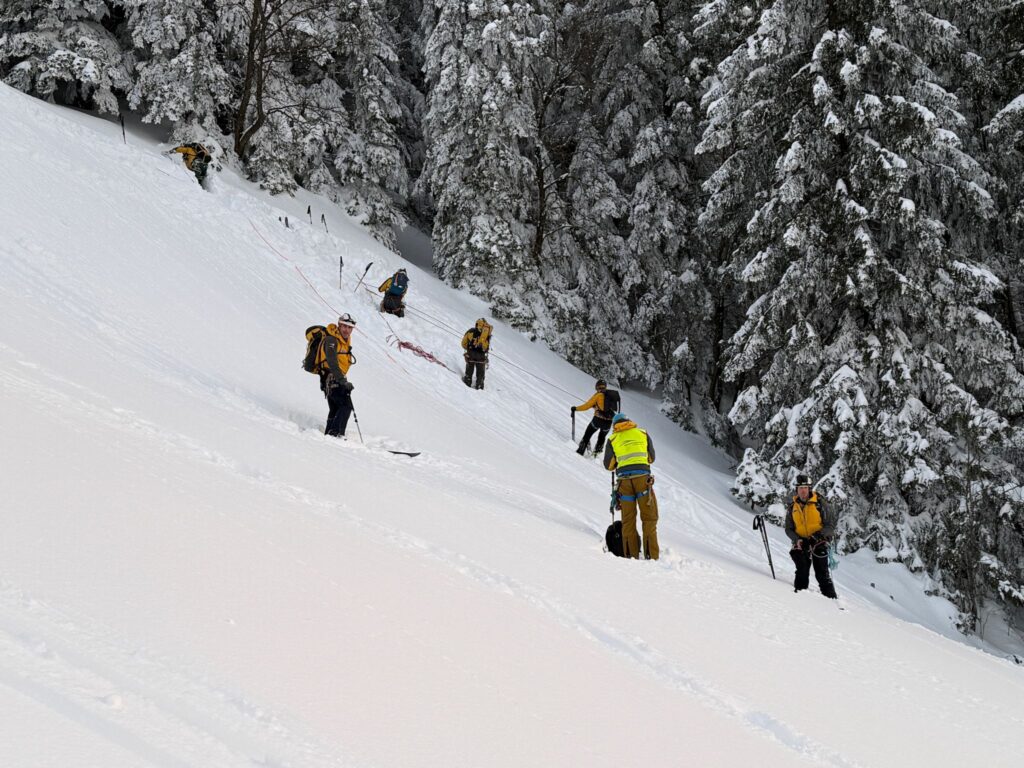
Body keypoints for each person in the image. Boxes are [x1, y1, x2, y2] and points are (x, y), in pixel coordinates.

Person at [603, 412, 659, 560]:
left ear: (615, 426)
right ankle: (651, 556)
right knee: (649, 518)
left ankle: (630, 555)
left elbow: (608, 465)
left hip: (624, 483)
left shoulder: (612, 439)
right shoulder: (642, 433)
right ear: (629, 421)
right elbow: (651, 458)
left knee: (628, 520)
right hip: (643, 481)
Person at [785, 474, 838, 599]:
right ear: (797, 489)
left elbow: (830, 526)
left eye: (805, 487)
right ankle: (800, 597)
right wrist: (796, 539)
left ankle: (831, 600)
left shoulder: (820, 503)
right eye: (800, 488)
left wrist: (819, 535)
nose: (803, 490)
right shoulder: (792, 507)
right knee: (801, 571)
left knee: (822, 573)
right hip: (801, 542)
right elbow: (788, 528)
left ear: (809, 489)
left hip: (819, 541)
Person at [314, 313, 357, 437]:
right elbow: (332, 362)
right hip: (331, 378)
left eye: (350, 328)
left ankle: (329, 434)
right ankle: (336, 434)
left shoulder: (344, 340)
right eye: (344, 326)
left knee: (336, 408)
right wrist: (343, 381)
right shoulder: (331, 340)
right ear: (339, 325)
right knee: (346, 406)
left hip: (334, 379)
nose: (347, 330)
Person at [571, 379, 620, 456]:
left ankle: (580, 452)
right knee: (601, 438)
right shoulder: (611, 396)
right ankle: (595, 456)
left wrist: (576, 408)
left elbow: (586, 406)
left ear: (597, 387)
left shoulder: (598, 395)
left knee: (588, 434)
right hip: (608, 422)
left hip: (597, 420)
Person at [461, 318, 492, 389]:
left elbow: (463, 343)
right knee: (480, 371)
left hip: (471, 353)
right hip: (481, 356)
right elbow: (487, 347)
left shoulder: (471, 331)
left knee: (470, 368)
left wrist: (468, 348)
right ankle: (479, 385)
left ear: (477, 324)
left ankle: (467, 382)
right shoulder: (486, 334)